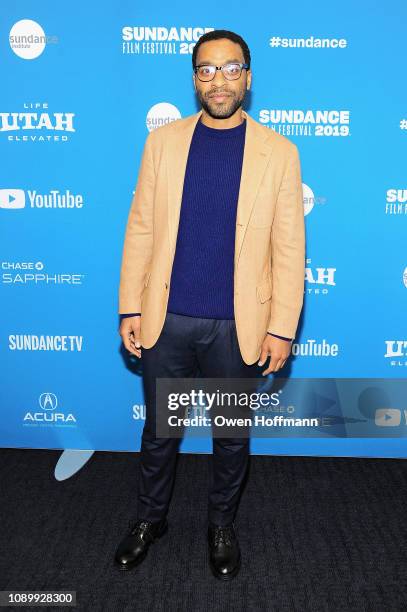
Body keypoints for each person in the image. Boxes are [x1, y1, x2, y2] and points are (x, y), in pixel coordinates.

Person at [115, 29, 305, 580]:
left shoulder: (280, 152)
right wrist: (130, 306)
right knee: (159, 433)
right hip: (167, 322)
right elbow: (142, 229)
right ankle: (150, 519)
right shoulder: (163, 143)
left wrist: (282, 327)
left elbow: (289, 248)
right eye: (206, 70)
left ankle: (221, 524)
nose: (217, 81)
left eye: (229, 69)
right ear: (194, 78)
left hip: (236, 327)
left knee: (230, 436)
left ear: (248, 75)